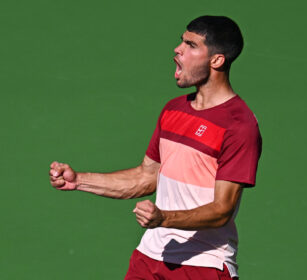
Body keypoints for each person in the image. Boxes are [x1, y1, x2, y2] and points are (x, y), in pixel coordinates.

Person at [49, 15, 262, 280]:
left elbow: (222, 209)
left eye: (191, 45)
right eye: (181, 42)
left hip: (203, 265)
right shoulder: (173, 110)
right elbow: (146, 177)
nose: (178, 49)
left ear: (216, 60)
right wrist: (80, 180)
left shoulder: (239, 126)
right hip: (150, 257)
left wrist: (164, 218)